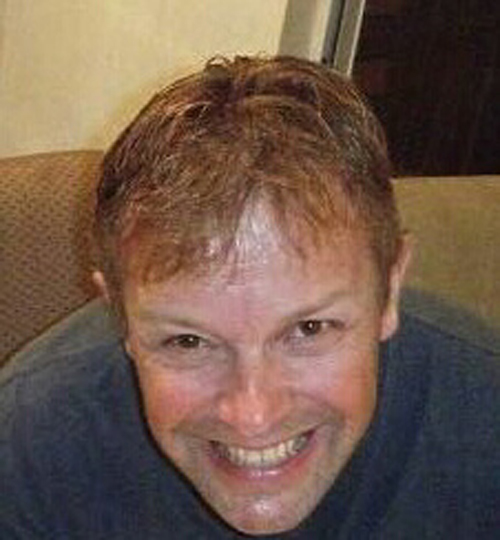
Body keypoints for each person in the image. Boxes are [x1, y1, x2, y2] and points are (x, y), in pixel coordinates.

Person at [1, 56, 499, 539]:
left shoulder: (485, 418)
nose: (253, 415)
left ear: (389, 290)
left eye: (309, 329)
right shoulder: (26, 448)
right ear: (120, 315)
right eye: (188, 341)